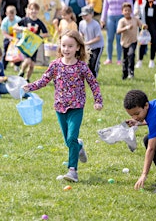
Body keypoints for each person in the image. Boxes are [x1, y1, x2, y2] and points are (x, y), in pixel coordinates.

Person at [23, 30, 103, 183]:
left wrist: (97, 100)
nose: (66, 49)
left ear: (78, 48)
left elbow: (93, 83)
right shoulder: (55, 65)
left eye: (70, 46)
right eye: (64, 45)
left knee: (71, 137)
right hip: (60, 107)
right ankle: (79, 147)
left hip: (76, 106)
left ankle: (72, 171)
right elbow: (44, 80)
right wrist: (30, 87)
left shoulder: (82, 67)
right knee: (69, 141)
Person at [123, 90, 156, 193]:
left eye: (137, 114)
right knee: (147, 140)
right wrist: (138, 122)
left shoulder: (155, 114)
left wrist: (144, 174)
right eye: (131, 115)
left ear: (146, 105)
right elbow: (155, 119)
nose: (134, 117)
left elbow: (151, 149)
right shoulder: (151, 107)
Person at [100, 0, 133, 65]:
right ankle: (109, 58)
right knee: (110, 38)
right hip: (110, 17)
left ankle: (119, 59)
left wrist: (131, 17)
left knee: (119, 39)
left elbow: (130, 4)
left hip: (121, 18)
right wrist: (102, 19)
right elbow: (105, 7)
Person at [14, 3, 49, 82]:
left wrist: (39, 37)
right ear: (28, 10)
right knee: (27, 61)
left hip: (34, 45)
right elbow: (15, 27)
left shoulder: (39, 22)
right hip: (26, 44)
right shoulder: (25, 20)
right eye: (32, 9)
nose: (33, 11)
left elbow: (46, 33)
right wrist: (22, 29)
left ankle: (27, 79)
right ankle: (21, 71)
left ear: (38, 11)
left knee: (32, 65)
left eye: (35, 9)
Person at [117, 2, 143, 79]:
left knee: (131, 55)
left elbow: (142, 25)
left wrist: (144, 27)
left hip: (133, 41)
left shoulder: (135, 19)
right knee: (125, 59)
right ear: (122, 12)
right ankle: (124, 73)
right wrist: (126, 28)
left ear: (131, 11)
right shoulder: (122, 21)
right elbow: (118, 31)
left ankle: (131, 72)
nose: (127, 12)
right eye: (125, 10)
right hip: (124, 42)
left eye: (129, 10)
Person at [78, 5, 104, 78]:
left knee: (93, 63)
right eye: (83, 15)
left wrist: (87, 43)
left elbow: (98, 38)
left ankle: (94, 78)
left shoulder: (95, 24)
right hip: (88, 47)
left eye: (86, 15)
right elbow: (81, 33)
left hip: (97, 46)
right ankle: (89, 77)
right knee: (88, 63)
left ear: (91, 14)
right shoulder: (81, 23)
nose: (84, 17)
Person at [0, 5, 21, 70]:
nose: (11, 17)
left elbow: (22, 29)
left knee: (18, 51)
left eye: (13, 15)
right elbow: (4, 33)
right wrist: (11, 38)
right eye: (9, 16)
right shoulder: (5, 21)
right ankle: (4, 65)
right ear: (6, 14)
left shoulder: (18, 20)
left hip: (17, 38)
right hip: (8, 38)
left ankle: (17, 65)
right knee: (6, 50)